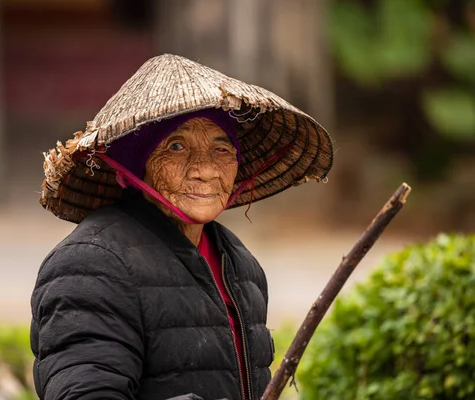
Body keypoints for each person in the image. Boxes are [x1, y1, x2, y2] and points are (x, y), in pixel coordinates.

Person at [31, 54, 333, 400]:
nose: (205, 169)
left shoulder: (240, 265)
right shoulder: (89, 264)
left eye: (222, 148)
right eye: (176, 146)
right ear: (135, 163)